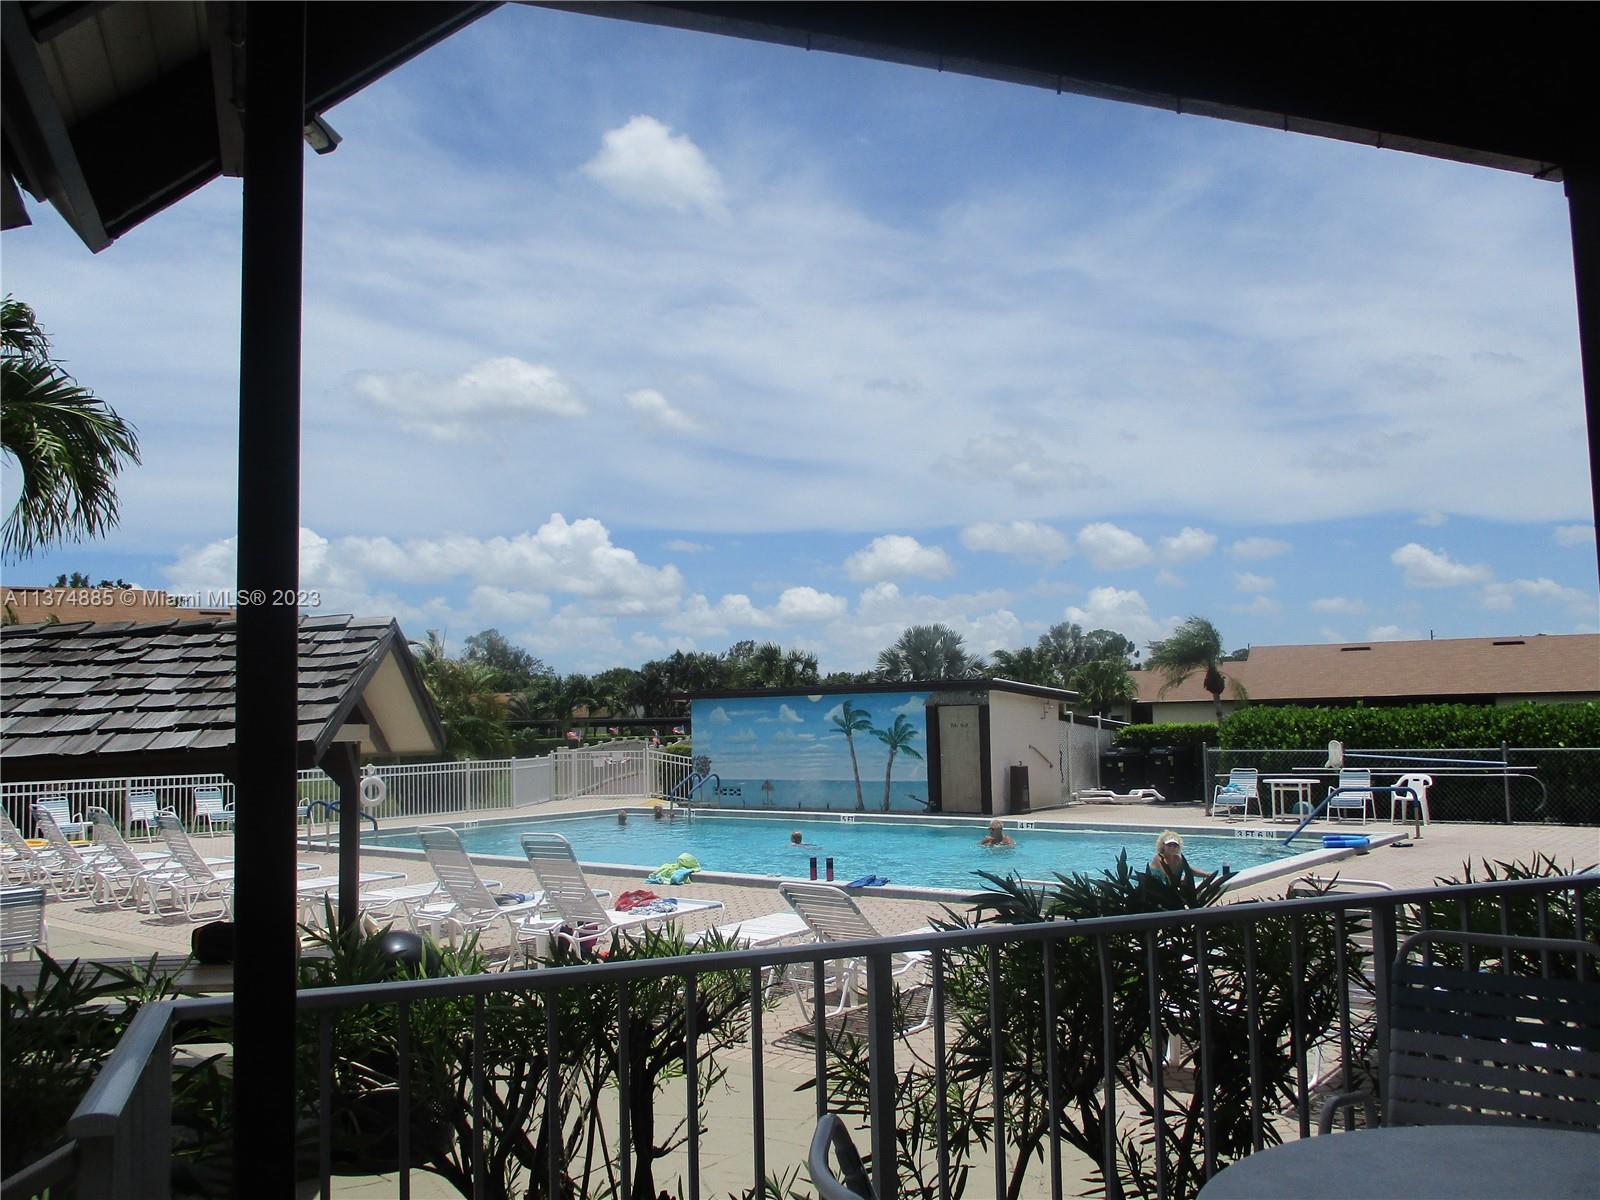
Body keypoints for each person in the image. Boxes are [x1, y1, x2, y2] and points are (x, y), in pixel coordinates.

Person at [1149, 831, 1222, 883]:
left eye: (1175, 845)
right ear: (1162, 845)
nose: (1172, 847)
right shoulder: (1158, 859)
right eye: (1169, 845)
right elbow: (1167, 877)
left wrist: (1207, 875)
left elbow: (1190, 870)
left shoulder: (1177, 858)